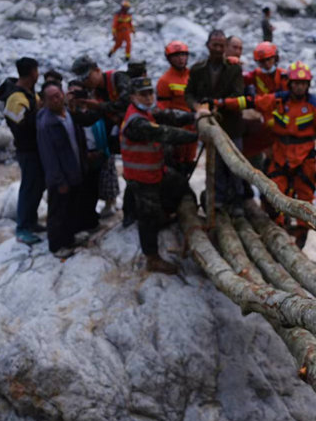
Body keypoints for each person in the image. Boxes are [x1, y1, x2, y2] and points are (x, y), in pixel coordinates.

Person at [120, 77, 204, 274]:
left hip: (155, 171)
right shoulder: (137, 122)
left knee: (180, 185)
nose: (149, 97)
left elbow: (169, 116)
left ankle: (171, 215)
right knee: (147, 217)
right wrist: (196, 136)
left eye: (150, 93)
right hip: (142, 178)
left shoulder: (147, 112)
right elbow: (164, 133)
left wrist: (195, 116)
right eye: (143, 94)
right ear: (132, 96)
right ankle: (152, 258)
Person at [253, 61, 316, 248]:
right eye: (295, 83)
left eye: (303, 83)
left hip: (305, 161)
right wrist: (220, 103)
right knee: (272, 196)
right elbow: (252, 102)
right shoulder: (278, 100)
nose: (299, 86)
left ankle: (299, 243)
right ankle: (277, 235)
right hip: (280, 157)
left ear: (308, 84)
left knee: (305, 204)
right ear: (289, 83)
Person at [184, 29, 248, 209]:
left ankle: (237, 204)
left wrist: (217, 104)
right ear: (208, 46)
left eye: (221, 46)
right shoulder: (197, 70)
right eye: (215, 45)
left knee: (236, 166)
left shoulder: (234, 69)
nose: (218, 49)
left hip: (232, 125)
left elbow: (238, 94)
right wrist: (197, 107)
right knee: (215, 165)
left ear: (225, 47)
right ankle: (217, 202)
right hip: (210, 127)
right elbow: (189, 93)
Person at [70, 55, 130, 221]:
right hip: (120, 138)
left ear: (97, 70)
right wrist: (73, 111)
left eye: (87, 77)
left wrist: (97, 105)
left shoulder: (118, 78)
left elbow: (125, 102)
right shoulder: (94, 92)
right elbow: (93, 118)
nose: (86, 82)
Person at [36, 82, 90, 258]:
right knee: (58, 211)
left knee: (72, 207)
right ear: (44, 102)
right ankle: (57, 245)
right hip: (61, 176)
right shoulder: (47, 125)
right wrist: (59, 180)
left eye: (58, 95)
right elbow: (48, 156)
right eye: (51, 98)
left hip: (75, 169)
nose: (57, 99)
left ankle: (70, 238)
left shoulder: (68, 114)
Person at [3, 57, 45, 246]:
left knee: (37, 186)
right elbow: (20, 126)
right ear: (32, 73)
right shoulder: (15, 98)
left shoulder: (28, 93)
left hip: (36, 148)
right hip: (27, 150)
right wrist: (39, 111)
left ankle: (31, 221)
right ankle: (22, 228)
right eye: (37, 71)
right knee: (29, 186)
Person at [241, 41, 287, 162]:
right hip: (264, 122)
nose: (266, 64)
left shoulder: (285, 76)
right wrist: (233, 63)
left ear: (275, 58)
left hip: (283, 122)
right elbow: (241, 78)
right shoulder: (256, 75)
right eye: (262, 61)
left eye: (269, 60)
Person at [156, 40, 196, 177]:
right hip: (177, 133)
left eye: (183, 55)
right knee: (175, 168)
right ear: (169, 58)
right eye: (176, 56)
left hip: (193, 130)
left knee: (189, 164)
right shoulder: (164, 81)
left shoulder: (193, 76)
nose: (181, 59)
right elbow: (163, 112)